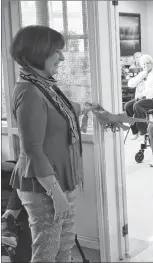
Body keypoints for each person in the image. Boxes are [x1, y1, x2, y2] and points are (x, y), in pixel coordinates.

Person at [8, 25, 92, 262]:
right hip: (43, 187)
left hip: (61, 182)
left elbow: (60, 110)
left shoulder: (45, 86)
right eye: (56, 51)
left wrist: (84, 107)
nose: (62, 57)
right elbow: (32, 150)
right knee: (46, 253)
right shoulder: (29, 91)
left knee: (64, 248)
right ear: (37, 52)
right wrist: (56, 194)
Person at [125, 54, 153, 140]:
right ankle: (135, 131)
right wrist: (140, 77)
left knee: (137, 105)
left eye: (147, 63)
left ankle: (143, 130)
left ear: (152, 63)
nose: (145, 66)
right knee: (127, 106)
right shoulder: (142, 73)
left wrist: (143, 94)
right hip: (141, 98)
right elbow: (130, 84)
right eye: (143, 64)